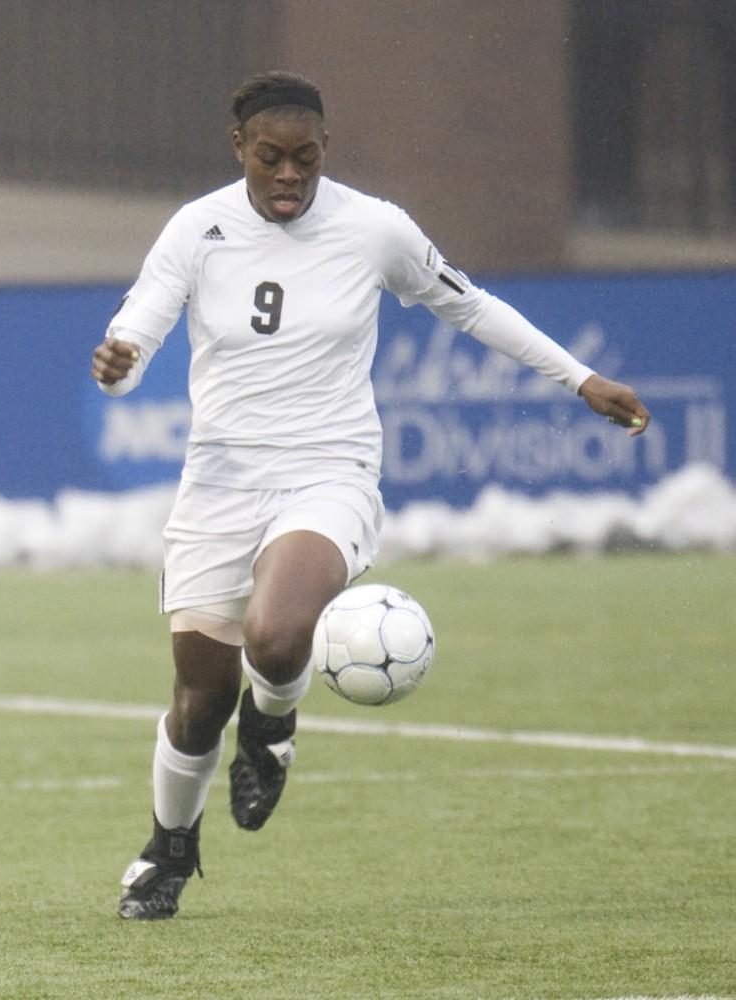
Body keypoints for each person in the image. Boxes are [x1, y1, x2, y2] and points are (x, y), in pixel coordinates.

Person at [90, 70, 650, 921]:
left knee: (277, 639)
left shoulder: (373, 228)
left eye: (305, 161)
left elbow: (470, 307)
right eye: (270, 159)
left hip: (329, 471)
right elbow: (139, 327)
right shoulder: (196, 229)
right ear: (237, 147)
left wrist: (579, 379)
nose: (288, 177)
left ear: (326, 152)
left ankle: (272, 724)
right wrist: (120, 364)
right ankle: (170, 847)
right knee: (198, 701)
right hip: (219, 483)